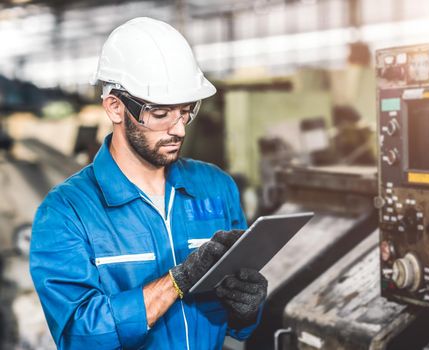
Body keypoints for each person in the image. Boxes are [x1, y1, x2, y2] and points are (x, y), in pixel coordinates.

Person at [29, 17, 267, 350]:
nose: (179, 129)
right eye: (161, 113)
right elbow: (79, 336)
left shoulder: (216, 187)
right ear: (115, 107)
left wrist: (246, 309)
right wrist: (175, 282)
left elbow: (238, 327)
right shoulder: (66, 213)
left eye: (186, 111)